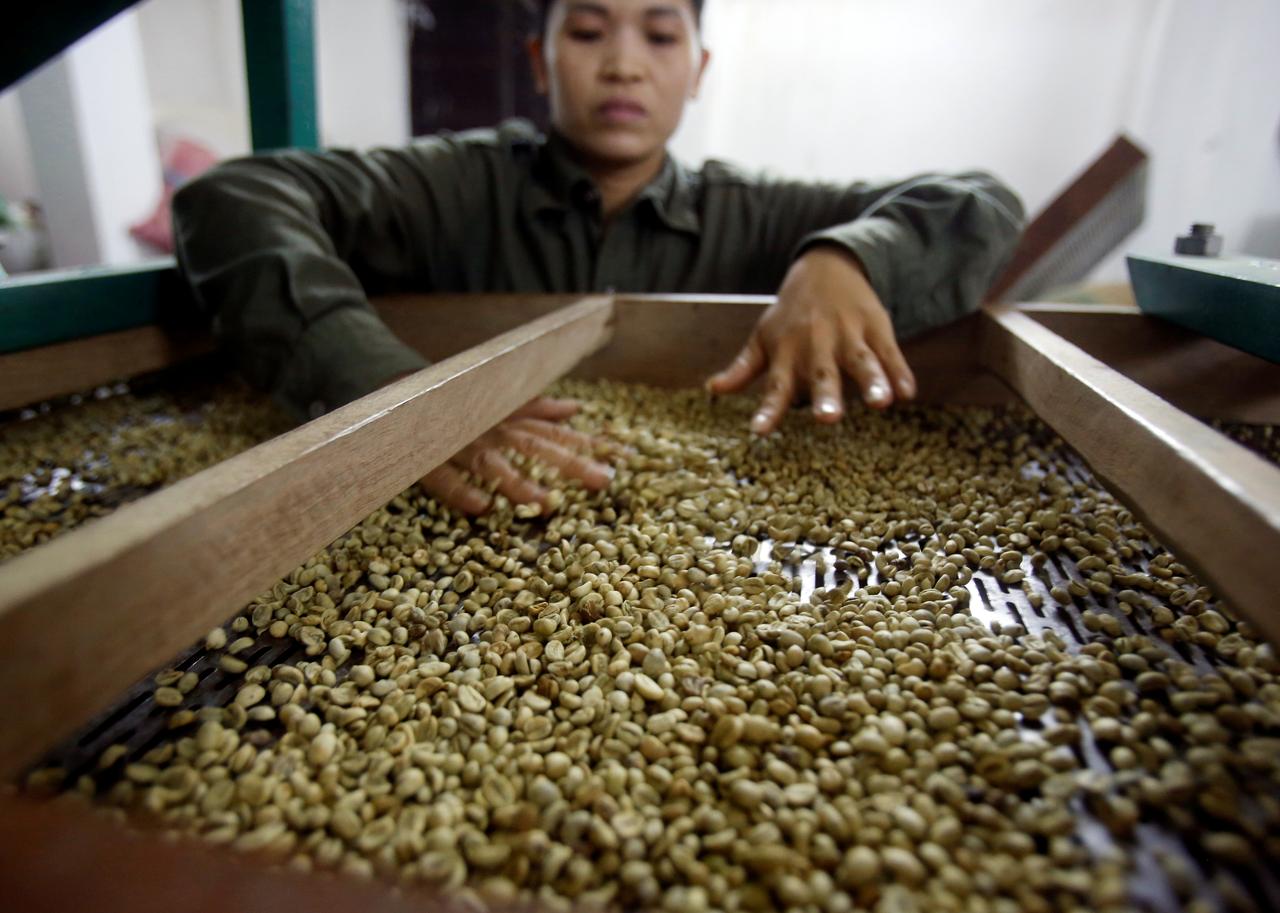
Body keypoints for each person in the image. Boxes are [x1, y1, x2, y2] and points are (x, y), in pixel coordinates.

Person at [172, 0, 1024, 515]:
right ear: (541, 62)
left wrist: (846, 260)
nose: (622, 64)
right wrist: (394, 393)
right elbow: (231, 199)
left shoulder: (752, 211)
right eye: (587, 32)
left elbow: (978, 201)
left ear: (699, 69)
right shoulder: (455, 184)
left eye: (659, 36)